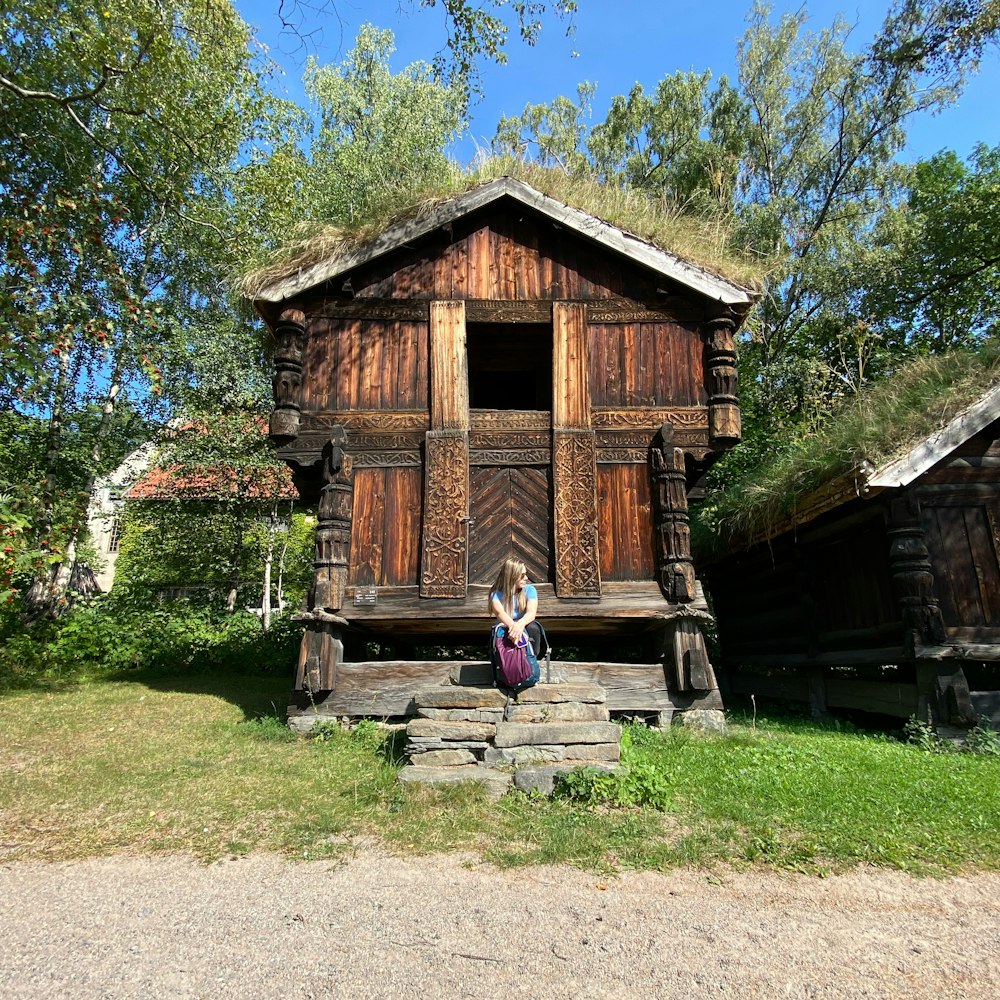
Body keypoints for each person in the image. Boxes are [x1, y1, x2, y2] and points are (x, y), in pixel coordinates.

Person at [488, 557, 542, 653]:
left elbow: (531, 613)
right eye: (522, 575)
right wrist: (514, 627)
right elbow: (500, 613)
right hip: (507, 625)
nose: (526, 578)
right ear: (512, 576)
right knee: (500, 632)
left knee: (533, 628)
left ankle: (532, 659)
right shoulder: (495, 594)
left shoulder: (530, 590)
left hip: (524, 625)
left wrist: (519, 625)